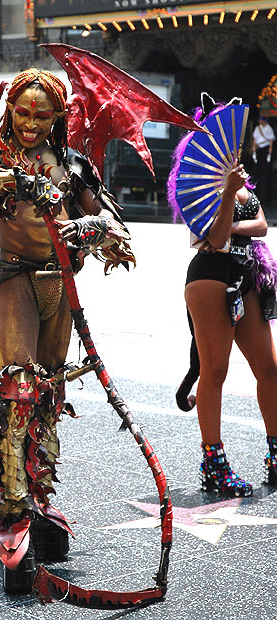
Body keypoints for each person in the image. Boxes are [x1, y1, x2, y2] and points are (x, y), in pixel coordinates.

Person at [0, 68, 135, 593]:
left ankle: (39, 497)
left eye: (42, 116)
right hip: (15, 279)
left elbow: (118, 230)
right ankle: (13, 507)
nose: (30, 123)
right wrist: (6, 181)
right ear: (10, 110)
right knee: (20, 387)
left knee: (49, 392)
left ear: (59, 118)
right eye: (22, 113)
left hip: (60, 287)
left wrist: (88, 229)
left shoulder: (73, 166)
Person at [168, 100, 277, 499]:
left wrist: (233, 211)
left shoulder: (241, 186)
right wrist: (229, 194)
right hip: (211, 280)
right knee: (214, 372)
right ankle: (214, 465)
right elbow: (212, 242)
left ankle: (276, 455)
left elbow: (262, 225)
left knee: (270, 369)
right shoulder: (200, 189)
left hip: (247, 279)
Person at [252, 114, 275, 206]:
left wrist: (270, 152)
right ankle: (257, 193)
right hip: (259, 149)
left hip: (265, 149)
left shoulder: (268, 128)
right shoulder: (258, 128)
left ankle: (265, 196)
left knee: (265, 172)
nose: (260, 121)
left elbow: (271, 141)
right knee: (257, 171)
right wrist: (253, 149)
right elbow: (254, 139)